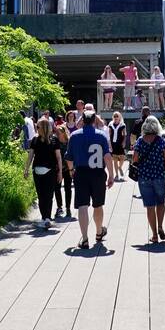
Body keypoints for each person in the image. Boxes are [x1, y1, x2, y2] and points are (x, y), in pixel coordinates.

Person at [66, 105, 115, 251]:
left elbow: (68, 157)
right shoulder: (101, 135)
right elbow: (107, 156)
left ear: (82, 120)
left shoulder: (74, 136)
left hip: (80, 172)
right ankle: (99, 232)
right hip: (98, 173)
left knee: (82, 205)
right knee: (98, 205)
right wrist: (111, 175)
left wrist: (70, 170)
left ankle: (85, 238)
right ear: (94, 121)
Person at [130, 116, 165, 244]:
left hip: (144, 177)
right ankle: (160, 226)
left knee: (149, 206)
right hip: (160, 176)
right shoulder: (162, 141)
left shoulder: (140, 141)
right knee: (161, 202)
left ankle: (154, 235)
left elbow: (135, 160)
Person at [26, 117, 62, 229]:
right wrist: (26, 169)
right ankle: (45, 217)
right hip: (41, 171)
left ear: (43, 128)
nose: (36, 128)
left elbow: (59, 157)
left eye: (38, 127)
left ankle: (46, 218)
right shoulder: (36, 140)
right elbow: (31, 155)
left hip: (48, 171)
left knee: (46, 195)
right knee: (43, 195)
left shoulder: (53, 140)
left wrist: (60, 172)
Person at [54, 119, 72, 218]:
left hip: (68, 168)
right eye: (56, 132)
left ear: (64, 133)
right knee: (57, 188)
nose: (57, 134)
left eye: (59, 132)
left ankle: (68, 208)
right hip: (58, 169)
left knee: (68, 188)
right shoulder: (55, 142)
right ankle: (59, 207)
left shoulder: (69, 142)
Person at [108, 111, 127, 181]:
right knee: (115, 159)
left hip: (120, 142)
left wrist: (124, 142)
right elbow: (109, 135)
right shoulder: (110, 124)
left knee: (122, 157)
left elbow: (125, 134)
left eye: (117, 116)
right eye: (114, 116)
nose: (116, 118)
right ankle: (116, 175)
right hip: (113, 143)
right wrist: (109, 144)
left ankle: (120, 167)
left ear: (119, 117)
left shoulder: (122, 124)